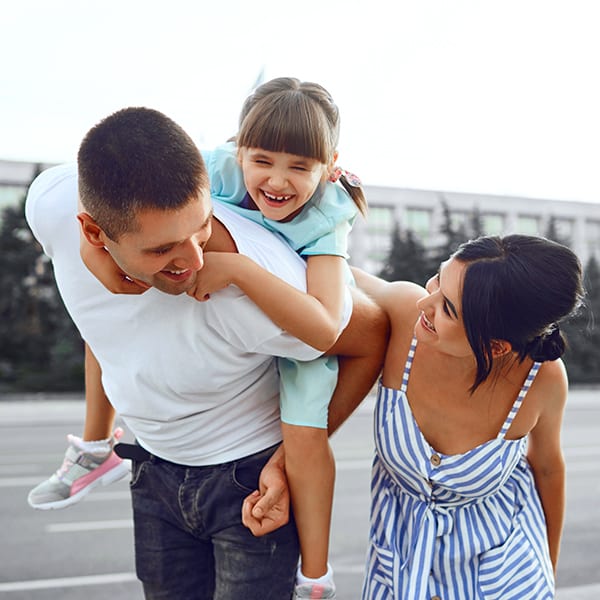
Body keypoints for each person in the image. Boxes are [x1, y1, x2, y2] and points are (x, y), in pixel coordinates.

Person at [25, 106, 388, 600]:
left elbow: (366, 337)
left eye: (202, 227)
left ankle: (316, 578)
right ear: (93, 231)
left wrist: (286, 460)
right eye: (163, 250)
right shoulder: (51, 203)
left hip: (246, 483)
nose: (197, 261)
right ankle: (95, 449)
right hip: (152, 470)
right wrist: (96, 261)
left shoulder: (256, 284)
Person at [354, 234, 584, 599]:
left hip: (504, 580)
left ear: (495, 346)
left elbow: (548, 468)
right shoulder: (403, 315)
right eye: (437, 279)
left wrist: (547, 572)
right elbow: (329, 271)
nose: (425, 303)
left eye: (447, 308)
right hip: (397, 577)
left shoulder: (541, 379)